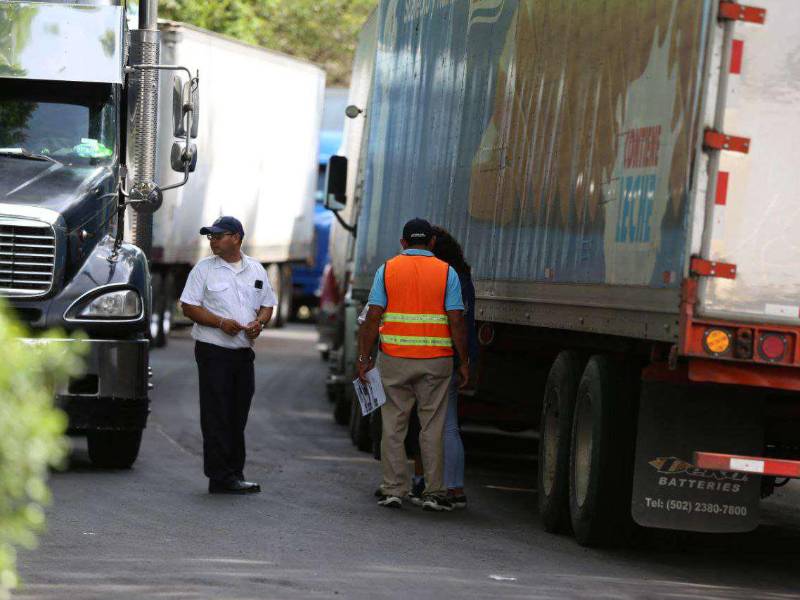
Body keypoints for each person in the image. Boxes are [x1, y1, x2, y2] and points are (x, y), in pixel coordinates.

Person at [357, 218, 469, 511]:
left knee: (393, 424)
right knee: (432, 426)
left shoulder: (388, 269)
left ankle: (394, 488)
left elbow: (372, 317)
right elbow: (456, 320)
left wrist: (364, 358)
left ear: (403, 243)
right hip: (437, 362)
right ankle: (434, 492)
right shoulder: (448, 273)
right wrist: (464, 361)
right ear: (432, 243)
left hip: (395, 359)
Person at [179, 216, 277, 494]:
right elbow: (188, 307)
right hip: (213, 352)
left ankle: (235, 472)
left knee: (238, 415)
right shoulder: (204, 270)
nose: (212, 241)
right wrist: (220, 323)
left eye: (218, 236)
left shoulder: (256, 269)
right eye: (210, 237)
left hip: (243, 354)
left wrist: (259, 323)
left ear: (236, 237)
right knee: (216, 414)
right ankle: (220, 476)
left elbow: (268, 305)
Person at [432, 225, 478, 508]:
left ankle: (438, 486)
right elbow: (466, 325)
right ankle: (455, 487)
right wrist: (466, 362)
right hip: (452, 359)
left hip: (434, 356)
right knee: (450, 425)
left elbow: (454, 322)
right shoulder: (464, 279)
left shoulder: (442, 278)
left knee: (433, 425)